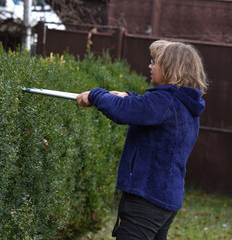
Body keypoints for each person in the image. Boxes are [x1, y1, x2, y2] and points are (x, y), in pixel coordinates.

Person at [76, 40, 208, 240]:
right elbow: (144, 108)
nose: (150, 65)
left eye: (154, 62)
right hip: (166, 199)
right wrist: (127, 95)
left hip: (146, 199)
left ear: (171, 69)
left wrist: (95, 95)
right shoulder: (184, 104)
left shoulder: (163, 102)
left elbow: (123, 111)